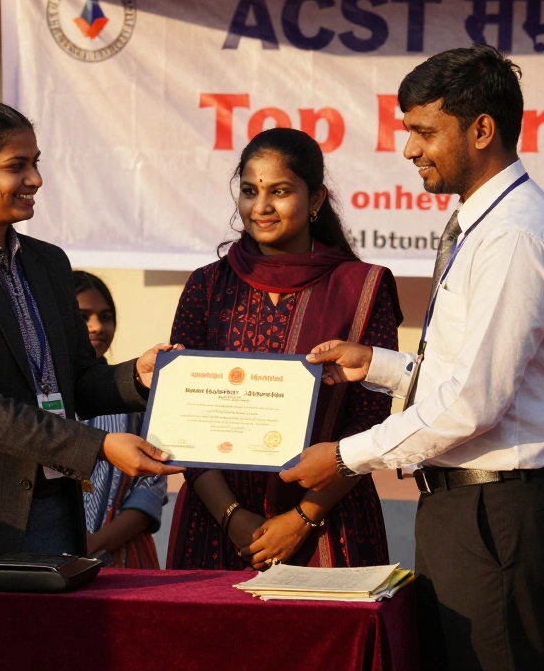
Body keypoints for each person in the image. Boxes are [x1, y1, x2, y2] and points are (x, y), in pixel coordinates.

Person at [280, 45, 544, 671]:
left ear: (481, 129)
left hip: (495, 508)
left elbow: (474, 403)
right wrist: (381, 365)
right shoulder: (480, 222)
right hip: (464, 504)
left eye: (424, 130)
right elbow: (475, 377)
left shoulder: (514, 234)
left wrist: (344, 457)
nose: (410, 149)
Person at [0, 99, 181, 564]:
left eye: (35, 163)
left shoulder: (48, 263)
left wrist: (137, 376)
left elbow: (77, 379)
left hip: (52, 507)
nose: (35, 180)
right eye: (16, 166)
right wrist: (98, 446)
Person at [167, 127, 399, 571]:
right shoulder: (207, 286)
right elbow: (182, 419)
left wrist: (300, 520)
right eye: (250, 191)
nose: (261, 207)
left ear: (315, 199)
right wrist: (234, 519)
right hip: (215, 525)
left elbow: (369, 420)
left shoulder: (362, 287)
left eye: (279, 191)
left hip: (328, 524)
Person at [74, 270, 167, 568]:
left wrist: (98, 543)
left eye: (106, 316)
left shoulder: (132, 394)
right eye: (83, 316)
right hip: (50, 553)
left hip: (124, 556)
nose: (97, 326)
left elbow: (152, 483)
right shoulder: (35, 395)